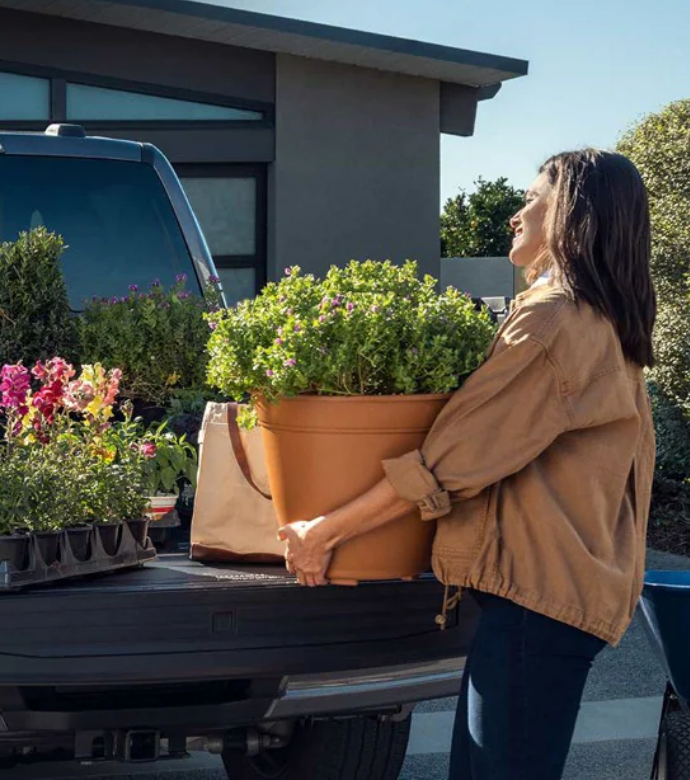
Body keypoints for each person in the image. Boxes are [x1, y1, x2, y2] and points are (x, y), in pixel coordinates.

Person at [277, 148, 657, 780]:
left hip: (541, 600)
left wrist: (326, 531)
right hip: (560, 593)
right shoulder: (606, 322)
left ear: (569, 213)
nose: (516, 213)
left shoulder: (554, 320)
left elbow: (449, 461)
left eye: (532, 197)